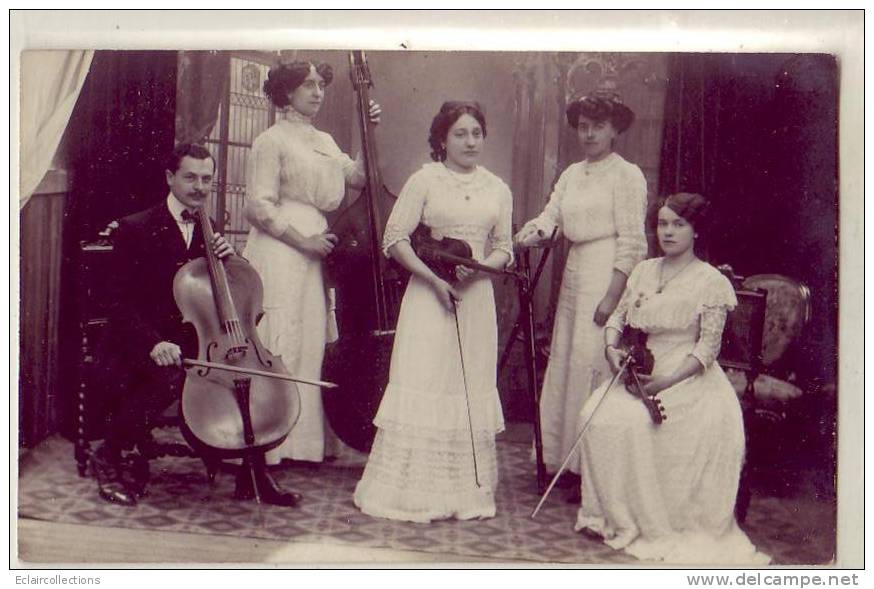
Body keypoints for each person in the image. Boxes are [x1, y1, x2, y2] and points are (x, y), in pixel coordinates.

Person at [91, 143, 298, 507]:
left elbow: (216, 298)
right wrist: (154, 343)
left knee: (240, 375)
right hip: (142, 341)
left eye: (206, 178)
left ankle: (253, 472)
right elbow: (118, 303)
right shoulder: (134, 227)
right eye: (190, 177)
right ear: (170, 178)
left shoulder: (209, 227)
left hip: (194, 341)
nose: (199, 186)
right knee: (168, 377)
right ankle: (108, 456)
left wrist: (232, 264)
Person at [573, 193, 770, 564]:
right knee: (593, 417)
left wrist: (663, 384)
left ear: (696, 231)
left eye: (679, 224)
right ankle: (609, 515)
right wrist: (611, 347)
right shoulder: (644, 270)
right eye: (663, 223)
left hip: (687, 377)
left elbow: (706, 350)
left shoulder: (711, 281)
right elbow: (617, 317)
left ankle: (645, 520)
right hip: (642, 366)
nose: (668, 231)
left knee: (634, 422)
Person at [353, 101, 513, 522]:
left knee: (464, 385)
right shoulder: (424, 180)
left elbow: (504, 248)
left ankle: (464, 492)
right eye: (460, 133)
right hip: (429, 295)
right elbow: (394, 239)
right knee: (424, 379)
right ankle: (411, 492)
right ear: (442, 139)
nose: (470, 141)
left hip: (474, 298)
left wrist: (476, 273)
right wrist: (435, 279)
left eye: (476, 132)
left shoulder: (497, 188)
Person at [243, 61, 381, 465]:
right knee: (279, 337)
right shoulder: (270, 141)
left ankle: (300, 444)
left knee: (309, 338)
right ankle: (267, 443)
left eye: (321, 84)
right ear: (286, 92)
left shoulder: (323, 140)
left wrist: (369, 132)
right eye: (308, 85)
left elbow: (357, 177)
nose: (317, 91)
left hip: (317, 250)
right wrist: (304, 242)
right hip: (281, 248)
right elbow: (258, 206)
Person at [514, 92, 648, 499]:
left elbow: (633, 243)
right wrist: (526, 236)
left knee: (594, 361)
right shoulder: (572, 173)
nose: (589, 134)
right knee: (568, 358)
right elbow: (551, 218)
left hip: (606, 269)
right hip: (573, 271)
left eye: (598, 126)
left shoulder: (627, 175)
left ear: (614, 130)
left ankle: (593, 469)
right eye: (583, 126)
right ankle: (561, 461)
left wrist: (612, 297)